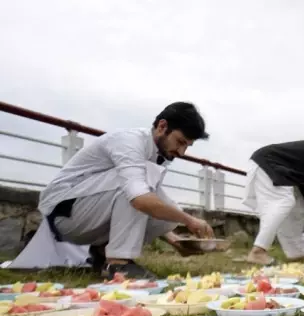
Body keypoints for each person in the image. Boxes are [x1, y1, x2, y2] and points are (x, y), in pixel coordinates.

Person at [36, 102, 214, 279]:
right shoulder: (129, 142)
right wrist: (189, 220)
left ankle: (102, 253)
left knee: (170, 211)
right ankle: (118, 264)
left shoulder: (158, 153)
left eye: (187, 146)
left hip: (87, 211)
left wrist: (175, 239)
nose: (182, 152)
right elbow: (138, 199)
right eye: (180, 142)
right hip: (64, 212)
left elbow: (149, 204)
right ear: (162, 126)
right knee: (139, 191)